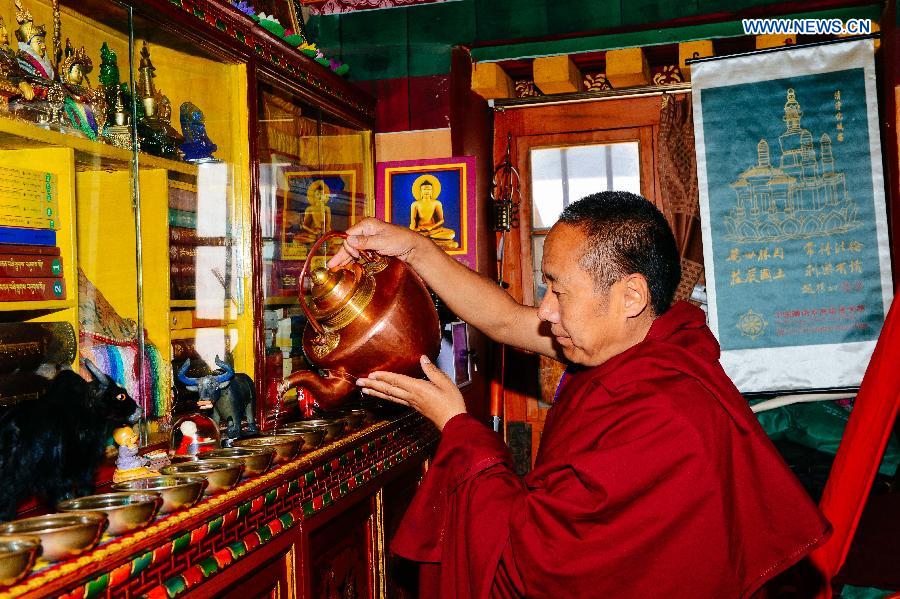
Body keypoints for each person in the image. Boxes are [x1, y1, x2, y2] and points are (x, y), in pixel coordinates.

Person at [330, 191, 831, 598]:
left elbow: (541, 559)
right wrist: (413, 248)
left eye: (557, 289)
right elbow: (505, 318)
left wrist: (461, 431)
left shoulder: (667, 411)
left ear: (630, 296)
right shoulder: (618, 345)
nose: (545, 310)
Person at [408, 176, 459, 249]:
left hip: (434, 230)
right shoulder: (415, 204)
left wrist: (431, 228)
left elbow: (441, 220)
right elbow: (413, 222)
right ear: (421, 191)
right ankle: (436, 242)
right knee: (411, 234)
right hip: (421, 230)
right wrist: (413, 230)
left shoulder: (437, 203)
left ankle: (427, 239)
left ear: (432, 191)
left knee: (451, 234)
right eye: (424, 189)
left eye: (429, 189)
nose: (427, 191)